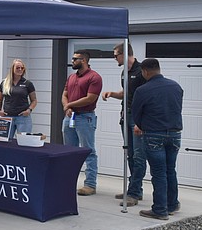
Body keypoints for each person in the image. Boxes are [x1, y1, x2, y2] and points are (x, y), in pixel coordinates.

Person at [132, 58, 184, 221]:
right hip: (175, 134)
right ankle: (172, 204)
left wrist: (142, 125)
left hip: (154, 134)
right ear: (159, 69)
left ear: (145, 71)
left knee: (159, 172)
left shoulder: (142, 90)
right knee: (170, 169)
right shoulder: (176, 86)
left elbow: (136, 114)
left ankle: (160, 209)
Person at [101, 42, 147, 206]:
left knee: (139, 155)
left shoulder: (142, 71)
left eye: (115, 55)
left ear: (125, 53)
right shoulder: (124, 72)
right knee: (130, 155)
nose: (114, 59)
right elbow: (127, 94)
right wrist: (112, 94)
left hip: (138, 118)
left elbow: (146, 98)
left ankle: (134, 193)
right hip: (125, 116)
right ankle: (135, 189)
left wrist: (141, 121)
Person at [61, 49, 103, 196]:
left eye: (75, 59)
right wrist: (67, 106)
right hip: (70, 117)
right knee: (69, 151)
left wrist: (70, 105)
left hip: (85, 117)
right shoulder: (71, 77)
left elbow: (90, 98)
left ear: (83, 60)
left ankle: (90, 184)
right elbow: (64, 94)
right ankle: (67, 181)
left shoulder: (94, 77)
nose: (72, 61)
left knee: (88, 151)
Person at [0, 59, 38, 139]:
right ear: (12, 69)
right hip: (7, 117)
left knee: (24, 141)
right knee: (3, 141)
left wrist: (29, 110)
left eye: (22, 68)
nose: (20, 70)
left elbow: (34, 100)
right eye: (18, 68)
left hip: (22, 117)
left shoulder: (27, 83)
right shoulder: (4, 83)